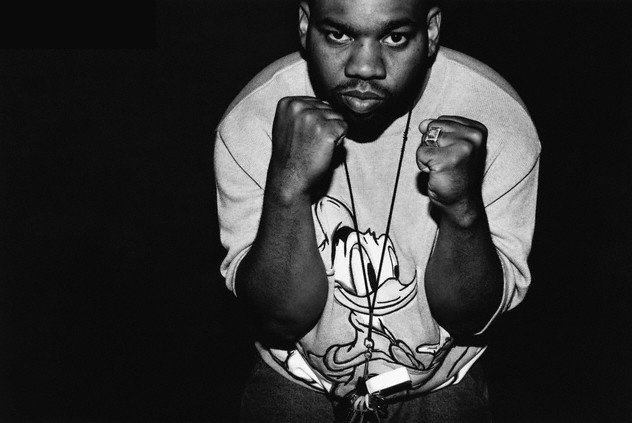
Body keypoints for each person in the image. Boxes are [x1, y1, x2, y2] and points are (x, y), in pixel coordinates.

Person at [214, 0, 540, 421]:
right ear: (305, 25)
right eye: (338, 34)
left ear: (431, 31)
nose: (365, 67)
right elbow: (278, 320)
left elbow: (471, 319)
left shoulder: (497, 117)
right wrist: (288, 189)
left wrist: (463, 212)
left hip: (443, 381)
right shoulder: (253, 117)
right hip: (296, 377)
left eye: (395, 37)